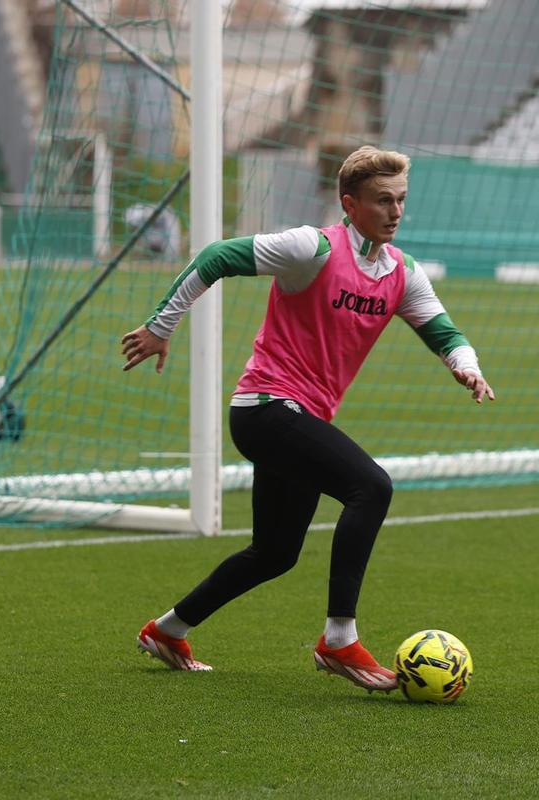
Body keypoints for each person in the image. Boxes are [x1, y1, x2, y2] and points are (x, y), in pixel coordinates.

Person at [121, 146, 495, 690]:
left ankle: (168, 630)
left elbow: (444, 332)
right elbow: (217, 256)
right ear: (350, 203)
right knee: (372, 486)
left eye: (402, 200)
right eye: (383, 201)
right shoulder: (311, 248)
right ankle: (339, 639)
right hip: (266, 408)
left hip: (296, 418)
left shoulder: (401, 273)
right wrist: (162, 325)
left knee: (275, 553)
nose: (395, 212)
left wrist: (467, 365)